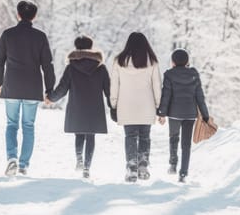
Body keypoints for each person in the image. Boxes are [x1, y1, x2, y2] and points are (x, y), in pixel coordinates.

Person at [0, 1, 55, 176]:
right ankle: (23, 164)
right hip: (32, 88)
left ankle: (11, 158)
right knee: (28, 126)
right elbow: (47, 65)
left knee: (11, 124)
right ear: (34, 16)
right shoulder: (40, 37)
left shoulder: (8, 35)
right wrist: (50, 90)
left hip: (11, 86)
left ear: (18, 14)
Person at [45, 36, 111, 179]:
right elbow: (109, 90)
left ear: (76, 47)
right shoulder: (101, 67)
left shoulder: (71, 67)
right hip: (94, 108)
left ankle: (79, 159)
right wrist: (115, 106)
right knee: (90, 135)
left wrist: (51, 98)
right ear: (91, 47)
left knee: (79, 133)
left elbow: (62, 88)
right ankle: (87, 167)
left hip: (77, 106)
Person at [110, 32, 162, 182]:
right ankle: (143, 166)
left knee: (130, 136)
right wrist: (159, 105)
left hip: (126, 106)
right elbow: (157, 85)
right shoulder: (152, 61)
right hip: (147, 105)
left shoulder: (119, 61)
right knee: (145, 137)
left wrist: (113, 104)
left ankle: (131, 167)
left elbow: (114, 85)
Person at [157, 48, 209, 183]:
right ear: (187, 61)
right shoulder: (194, 74)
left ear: (173, 62)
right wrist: (205, 114)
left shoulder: (169, 74)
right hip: (190, 114)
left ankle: (173, 164)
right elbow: (200, 96)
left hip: (174, 113)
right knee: (186, 144)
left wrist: (162, 113)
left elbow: (166, 95)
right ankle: (183, 173)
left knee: (173, 138)